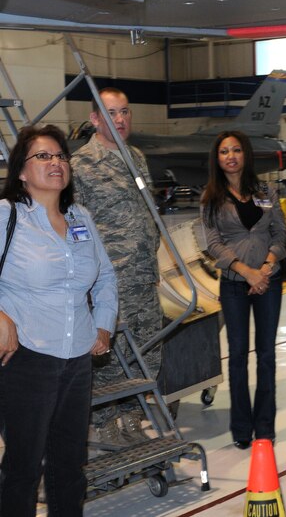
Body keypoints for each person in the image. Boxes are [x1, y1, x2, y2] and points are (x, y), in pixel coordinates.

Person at [0, 125, 117, 516]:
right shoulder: (7, 215)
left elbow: (104, 276)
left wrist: (103, 322)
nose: (56, 163)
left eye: (61, 156)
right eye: (44, 156)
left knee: (70, 464)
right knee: (23, 466)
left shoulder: (80, 216)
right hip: (27, 357)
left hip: (78, 358)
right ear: (21, 171)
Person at [71, 87, 163, 445]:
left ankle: (132, 418)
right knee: (110, 356)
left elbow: (148, 212)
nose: (121, 119)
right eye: (112, 113)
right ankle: (104, 424)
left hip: (144, 276)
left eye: (125, 112)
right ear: (95, 118)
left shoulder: (137, 157)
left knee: (148, 349)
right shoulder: (82, 164)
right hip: (110, 281)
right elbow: (76, 226)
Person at [200, 131, 286, 449]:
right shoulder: (211, 197)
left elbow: (280, 232)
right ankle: (241, 429)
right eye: (224, 151)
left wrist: (265, 267)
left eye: (236, 150)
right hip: (235, 286)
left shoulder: (266, 190)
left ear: (245, 154)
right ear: (217, 158)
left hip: (268, 281)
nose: (231, 156)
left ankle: (265, 426)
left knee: (266, 355)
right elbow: (213, 244)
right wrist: (246, 271)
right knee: (237, 357)